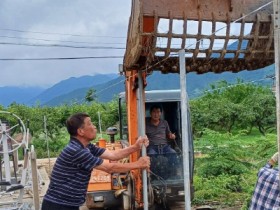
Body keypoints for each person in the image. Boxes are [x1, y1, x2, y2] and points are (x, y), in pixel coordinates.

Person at [42, 112, 150, 210]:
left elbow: (113, 155)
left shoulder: (87, 147)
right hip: (58, 205)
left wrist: (135, 147)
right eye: (90, 124)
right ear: (80, 131)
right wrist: (138, 164)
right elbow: (109, 168)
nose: (94, 127)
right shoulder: (76, 150)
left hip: (68, 204)